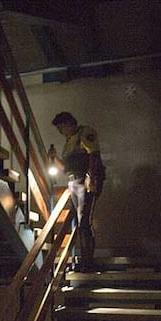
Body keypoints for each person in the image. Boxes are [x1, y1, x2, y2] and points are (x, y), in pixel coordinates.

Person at [49, 111, 105, 272]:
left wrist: (91, 177)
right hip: (73, 181)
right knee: (81, 222)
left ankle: (89, 261)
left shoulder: (84, 133)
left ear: (68, 123)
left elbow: (94, 155)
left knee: (84, 221)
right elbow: (67, 169)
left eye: (61, 128)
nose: (61, 132)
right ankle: (86, 260)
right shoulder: (69, 141)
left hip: (84, 181)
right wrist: (54, 159)